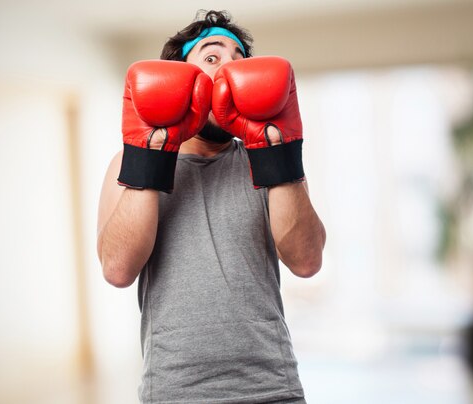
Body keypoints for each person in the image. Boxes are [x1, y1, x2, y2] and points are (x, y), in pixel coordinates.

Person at [97, 9, 326, 404]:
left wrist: (279, 154)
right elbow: (118, 269)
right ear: (178, 79)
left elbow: (306, 262)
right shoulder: (126, 165)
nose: (228, 73)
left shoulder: (268, 160)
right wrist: (151, 155)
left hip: (272, 388)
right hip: (173, 391)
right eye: (212, 57)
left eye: (239, 64)